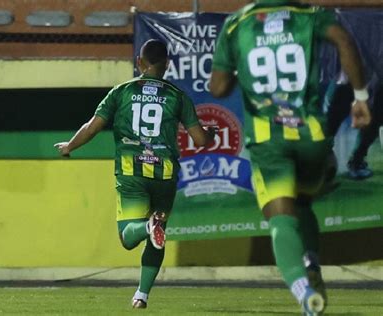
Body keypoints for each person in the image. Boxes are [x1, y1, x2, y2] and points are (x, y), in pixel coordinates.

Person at [210, 0, 371, 315]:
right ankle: (311, 262)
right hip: (311, 137)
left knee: (281, 216)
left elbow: (217, 88)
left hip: (269, 141)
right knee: (303, 202)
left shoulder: (237, 24)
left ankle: (304, 292)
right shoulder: (311, 16)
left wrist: (234, 68)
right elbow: (344, 40)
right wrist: (360, 96)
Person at [55, 39, 215, 309]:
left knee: (130, 236)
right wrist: (210, 133)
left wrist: (70, 146)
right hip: (164, 175)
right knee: (159, 231)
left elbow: (93, 127)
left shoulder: (122, 92)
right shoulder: (178, 95)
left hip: (132, 173)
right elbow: (199, 140)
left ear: (140, 63)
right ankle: (142, 294)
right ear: (167, 65)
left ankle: (148, 226)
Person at [326, 80, 382, 179]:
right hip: (351, 78)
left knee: (376, 118)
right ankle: (318, 157)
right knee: (333, 118)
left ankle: (356, 161)